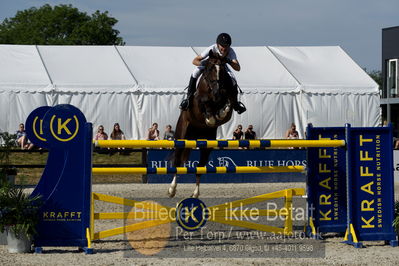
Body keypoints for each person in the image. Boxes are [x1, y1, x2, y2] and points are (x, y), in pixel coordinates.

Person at [179, 33, 246, 114]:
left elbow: (238, 68)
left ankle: (236, 104)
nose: (224, 48)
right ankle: (188, 99)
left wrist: (229, 61)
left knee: (233, 79)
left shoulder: (231, 51)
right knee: (195, 72)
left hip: (222, 67)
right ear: (218, 44)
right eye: (222, 46)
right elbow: (195, 60)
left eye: (227, 46)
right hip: (209, 66)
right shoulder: (212, 48)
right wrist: (204, 64)